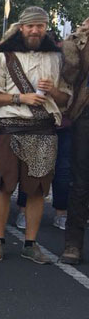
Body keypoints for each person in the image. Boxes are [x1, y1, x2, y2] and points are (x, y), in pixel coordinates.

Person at [0, 7, 70, 263]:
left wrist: (53, 91)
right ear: (21, 28)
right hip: (11, 126)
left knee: (38, 190)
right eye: (30, 26)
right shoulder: (3, 57)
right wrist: (21, 98)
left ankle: (30, 243)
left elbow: (66, 99)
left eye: (40, 26)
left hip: (44, 129)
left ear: (45, 28)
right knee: (4, 186)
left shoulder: (57, 58)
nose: (35, 30)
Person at [59, 16, 89, 264]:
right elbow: (69, 76)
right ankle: (73, 244)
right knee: (80, 181)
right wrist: (72, 46)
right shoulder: (80, 42)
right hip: (85, 116)